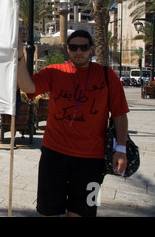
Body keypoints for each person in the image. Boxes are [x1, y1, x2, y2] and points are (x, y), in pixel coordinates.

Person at [17, 30, 129, 217]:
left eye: (84, 47)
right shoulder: (54, 71)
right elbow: (28, 87)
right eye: (74, 47)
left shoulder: (107, 75)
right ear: (67, 49)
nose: (79, 52)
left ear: (91, 49)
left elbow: (119, 114)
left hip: (92, 160)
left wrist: (122, 149)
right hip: (53, 154)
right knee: (48, 211)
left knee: (82, 213)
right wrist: (20, 55)